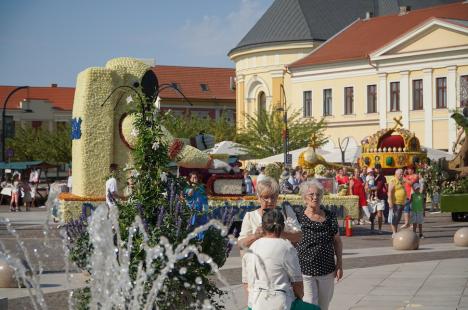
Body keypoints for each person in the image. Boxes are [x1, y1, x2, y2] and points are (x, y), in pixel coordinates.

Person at [242, 209, 304, 310]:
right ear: (283, 227)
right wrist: (300, 300)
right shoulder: (287, 247)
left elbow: (246, 282)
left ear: (262, 227)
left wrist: (252, 302)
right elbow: (297, 284)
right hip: (281, 303)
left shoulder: (252, 247)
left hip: (254, 304)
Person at [297, 179, 343, 310]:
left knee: (324, 305)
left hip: (326, 269)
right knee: (310, 304)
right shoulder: (298, 217)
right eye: (311, 194)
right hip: (305, 269)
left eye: (318, 194)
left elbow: (337, 241)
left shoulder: (330, 216)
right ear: (304, 197)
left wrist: (339, 264)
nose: (315, 197)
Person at [238, 176, 302, 249]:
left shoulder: (286, 211)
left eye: (273, 197)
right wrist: (256, 236)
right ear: (258, 198)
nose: (270, 201)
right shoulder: (250, 216)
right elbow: (240, 245)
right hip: (259, 259)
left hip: (283, 258)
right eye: (266, 197)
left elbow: (299, 236)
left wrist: (280, 233)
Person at [388, 169, 407, 238]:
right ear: (396, 174)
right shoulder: (393, 181)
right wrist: (390, 202)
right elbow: (389, 192)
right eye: (400, 174)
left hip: (401, 202)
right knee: (395, 217)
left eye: (402, 174)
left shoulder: (401, 181)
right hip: (395, 202)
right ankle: (394, 233)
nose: (402, 175)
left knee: (398, 218)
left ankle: (395, 232)